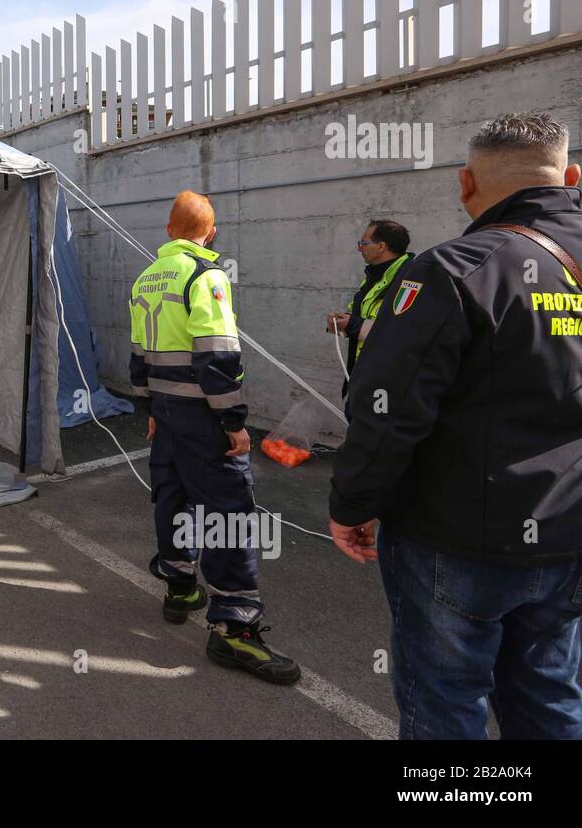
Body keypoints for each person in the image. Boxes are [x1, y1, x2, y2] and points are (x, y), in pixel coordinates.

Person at [330, 112, 582, 739]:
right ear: (571, 177)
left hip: (459, 538)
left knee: (444, 704)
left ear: (465, 184)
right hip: (569, 534)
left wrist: (354, 502)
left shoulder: (455, 268)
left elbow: (387, 407)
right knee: (549, 696)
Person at [129, 190, 301, 685]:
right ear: (212, 232)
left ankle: (180, 586)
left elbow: (138, 354)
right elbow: (218, 355)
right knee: (229, 512)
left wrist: (150, 409)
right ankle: (234, 626)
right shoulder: (207, 276)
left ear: (168, 230)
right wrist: (234, 422)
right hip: (203, 416)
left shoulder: (146, 279)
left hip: (165, 411)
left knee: (173, 497)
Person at [326, 219, 413, 405]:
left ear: (381, 246)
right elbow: (362, 317)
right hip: (363, 374)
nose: (360, 248)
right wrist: (342, 324)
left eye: (364, 243)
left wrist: (353, 324)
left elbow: (405, 332)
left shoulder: (410, 279)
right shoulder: (375, 275)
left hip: (387, 381)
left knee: (375, 431)